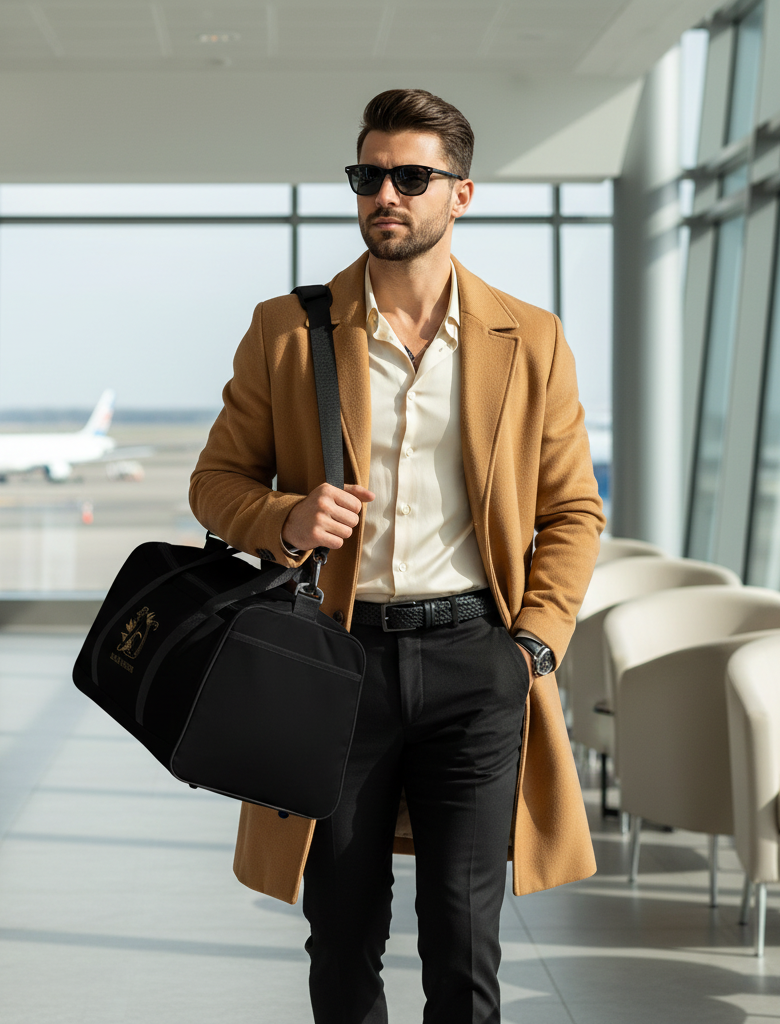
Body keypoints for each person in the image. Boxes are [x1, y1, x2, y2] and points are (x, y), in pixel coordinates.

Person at [189, 88, 604, 1024]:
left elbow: (573, 511)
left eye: (410, 176)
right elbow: (215, 483)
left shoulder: (528, 340)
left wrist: (532, 646)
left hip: (476, 663)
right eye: (368, 174)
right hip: (336, 664)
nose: (386, 193)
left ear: (460, 194)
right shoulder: (291, 330)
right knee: (341, 939)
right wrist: (288, 518)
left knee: (465, 947)